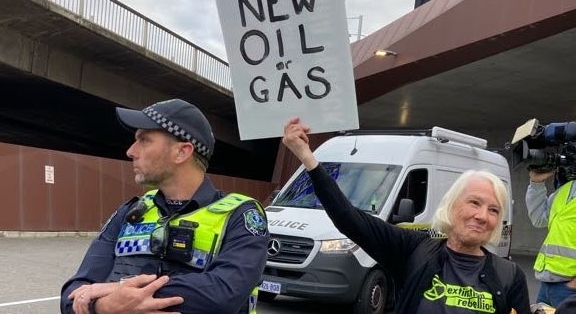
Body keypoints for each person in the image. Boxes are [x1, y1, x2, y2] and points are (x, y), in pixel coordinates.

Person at [282, 117, 530, 314]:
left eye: (493, 210)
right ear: (452, 205)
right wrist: (307, 157)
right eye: (474, 202)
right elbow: (348, 218)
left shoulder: (509, 275)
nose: (482, 215)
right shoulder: (414, 250)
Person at [60, 99, 269, 314]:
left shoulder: (241, 215)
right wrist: (104, 306)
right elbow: (73, 295)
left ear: (182, 152)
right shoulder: (130, 212)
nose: (131, 151)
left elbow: (223, 294)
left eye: (144, 140)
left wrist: (121, 291)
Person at [526, 168, 576, 308]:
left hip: (570, 288)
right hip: (547, 283)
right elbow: (539, 218)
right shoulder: (565, 189)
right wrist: (536, 184)